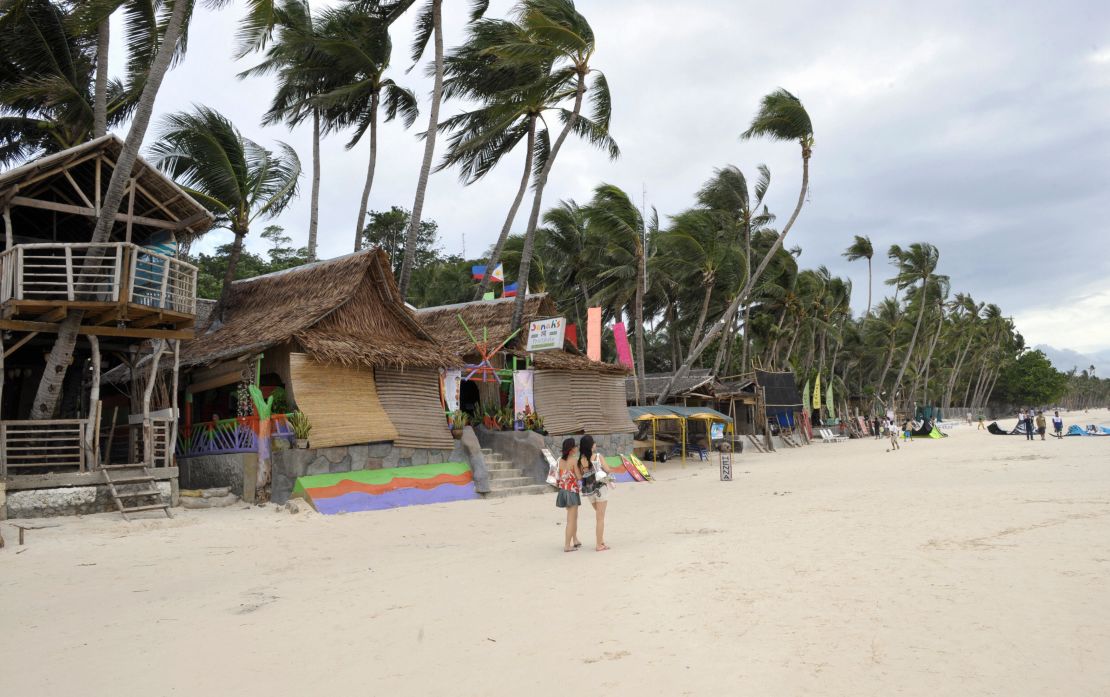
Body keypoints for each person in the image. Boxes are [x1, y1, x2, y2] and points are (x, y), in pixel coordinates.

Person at [578, 434, 613, 552]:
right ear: (591, 445)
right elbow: (607, 470)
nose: (595, 444)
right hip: (600, 489)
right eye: (593, 442)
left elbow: (580, 476)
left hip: (588, 491)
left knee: (599, 516)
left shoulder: (581, 460)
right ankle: (599, 545)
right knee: (600, 518)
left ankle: (601, 540)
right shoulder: (598, 456)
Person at [555, 438, 582, 552]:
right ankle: (567, 545)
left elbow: (558, 476)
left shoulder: (560, 460)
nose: (577, 448)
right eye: (575, 446)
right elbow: (579, 477)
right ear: (571, 449)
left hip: (563, 491)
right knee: (571, 519)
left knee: (574, 517)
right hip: (571, 491)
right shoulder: (574, 460)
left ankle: (575, 539)